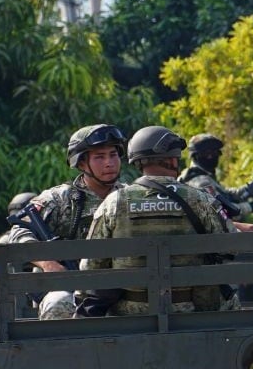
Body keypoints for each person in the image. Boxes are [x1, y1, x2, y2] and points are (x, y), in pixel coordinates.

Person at [78, 126, 235, 316]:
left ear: (137, 161)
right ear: (172, 159)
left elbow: (91, 265)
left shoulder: (114, 202)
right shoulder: (200, 199)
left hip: (129, 312)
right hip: (190, 310)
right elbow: (229, 248)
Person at [8, 124, 128, 319]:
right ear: (80, 164)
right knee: (58, 303)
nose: (109, 163)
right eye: (99, 157)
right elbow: (19, 232)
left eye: (113, 155)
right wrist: (48, 264)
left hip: (122, 286)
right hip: (69, 288)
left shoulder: (129, 196)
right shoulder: (59, 198)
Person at [180, 133, 253, 232]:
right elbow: (221, 211)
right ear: (196, 156)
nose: (211, 157)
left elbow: (225, 194)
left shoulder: (203, 175)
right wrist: (251, 206)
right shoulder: (199, 181)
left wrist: (249, 189)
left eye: (215, 153)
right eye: (207, 153)